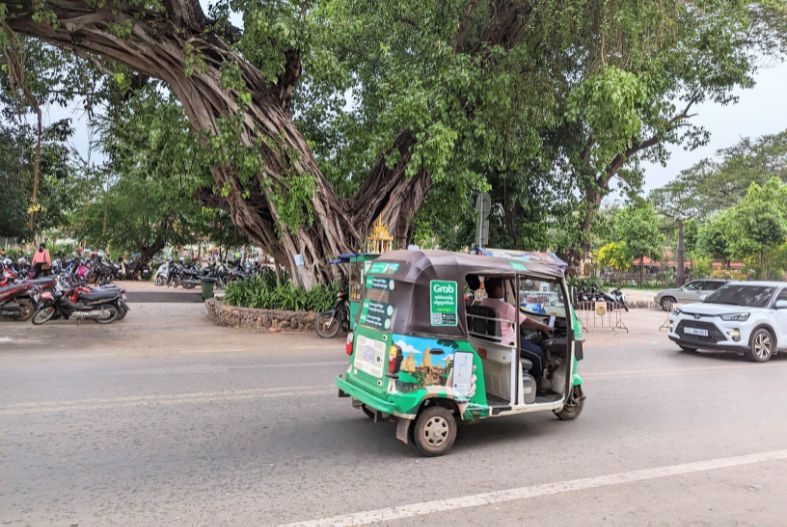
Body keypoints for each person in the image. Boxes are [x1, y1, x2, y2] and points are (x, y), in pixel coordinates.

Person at [480, 277, 553, 380]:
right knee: (539, 353)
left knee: (530, 342)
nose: (503, 290)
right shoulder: (505, 307)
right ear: (497, 290)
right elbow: (526, 322)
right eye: (502, 287)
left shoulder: (483, 303)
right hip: (508, 343)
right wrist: (545, 327)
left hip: (494, 341)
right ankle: (539, 384)